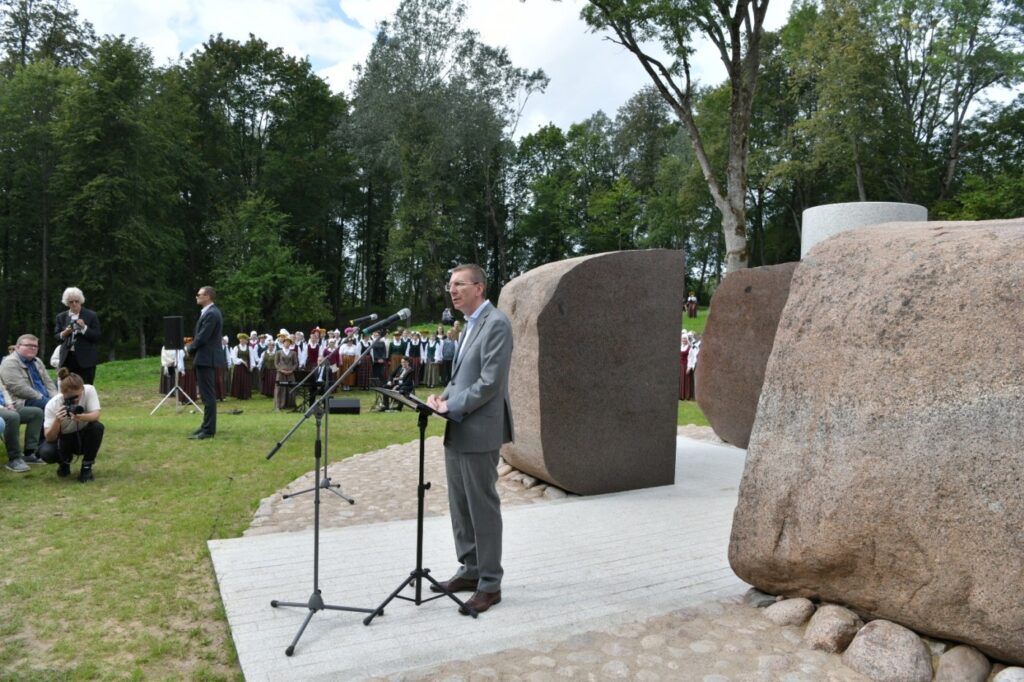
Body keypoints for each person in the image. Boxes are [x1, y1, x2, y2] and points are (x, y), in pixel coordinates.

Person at [426, 264, 514, 616]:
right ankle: (470, 569)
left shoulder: (496, 324)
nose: (452, 290)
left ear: (479, 287)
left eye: (459, 284)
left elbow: (490, 382)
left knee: (482, 508)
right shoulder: (468, 326)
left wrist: (452, 404)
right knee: (461, 506)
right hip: (457, 428)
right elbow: (462, 375)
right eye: (450, 285)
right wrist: (440, 398)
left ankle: (490, 584)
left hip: (480, 430)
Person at [38, 367, 103, 482]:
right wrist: (57, 421)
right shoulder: (52, 404)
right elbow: (49, 437)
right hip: (63, 438)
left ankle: (87, 467)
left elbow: (96, 415)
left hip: (82, 435)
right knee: (46, 452)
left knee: (97, 427)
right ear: (62, 394)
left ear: (82, 389)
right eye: (71, 399)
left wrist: (81, 417)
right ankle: (64, 462)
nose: (76, 401)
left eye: (78, 396)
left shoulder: (89, 390)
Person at [186, 286, 225, 439]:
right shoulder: (209, 312)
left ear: (207, 296)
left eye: (199, 294)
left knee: (208, 395)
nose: (196, 296)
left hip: (207, 358)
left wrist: (189, 348)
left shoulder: (212, 313)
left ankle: (208, 430)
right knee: (205, 394)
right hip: (205, 358)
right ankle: (205, 426)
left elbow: (202, 337)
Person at [54, 287, 101, 385]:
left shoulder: (91, 315)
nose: (74, 304)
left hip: (86, 359)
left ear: (81, 301)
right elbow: (56, 336)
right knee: (67, 387)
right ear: (67, 303)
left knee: (86, 387)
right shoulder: (61, 317)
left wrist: (84, 328)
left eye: (77, 301)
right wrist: (64, 333)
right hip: (67, 358)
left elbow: (96, 336)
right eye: (71, 302)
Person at [0, 334, 57, 410]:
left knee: (65, 405)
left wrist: (55, 397)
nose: (33, 348)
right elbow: (19, 389)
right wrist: (43, 398)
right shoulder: (10, 362)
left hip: (43, 398)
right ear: (17, 347)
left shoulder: (37, 361)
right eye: (28, 345)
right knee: (54, 408)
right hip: (23, 400)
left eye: (35, 346)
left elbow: (48, 382)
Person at [1, 379, 45, 472]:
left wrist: (9, 404)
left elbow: (3, 391)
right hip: (2, 409)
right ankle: (14, 458)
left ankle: (29, 452)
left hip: (6, 407)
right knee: (12, 417)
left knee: (36, 413)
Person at [273, 336, 298, 411]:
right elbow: (276, 363)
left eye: (288, 343)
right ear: (283, 343)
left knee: (290, 388)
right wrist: (281, 370)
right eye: (285, 342)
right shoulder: (278, 352)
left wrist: (291, 370)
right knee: (279, 388)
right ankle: (278, 405)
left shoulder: (293, 353)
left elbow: (295, 363)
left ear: (290, 344)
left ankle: (290, 405)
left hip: (290, 373)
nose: (287, 344)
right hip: (281, 373)